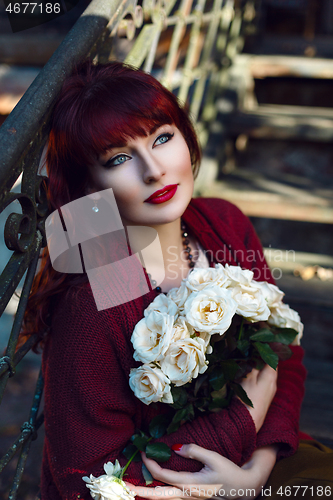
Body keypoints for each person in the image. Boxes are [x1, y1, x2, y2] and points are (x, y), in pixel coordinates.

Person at [22, 61, 332, 500]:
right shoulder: (99, 299)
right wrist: (237, 425)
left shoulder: (222, 223)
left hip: (258, 459)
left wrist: (254, 471)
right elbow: (89, 482)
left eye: (162, 138)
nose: (154, 170)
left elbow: (284, 354)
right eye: (119, 158)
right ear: (89, 186)